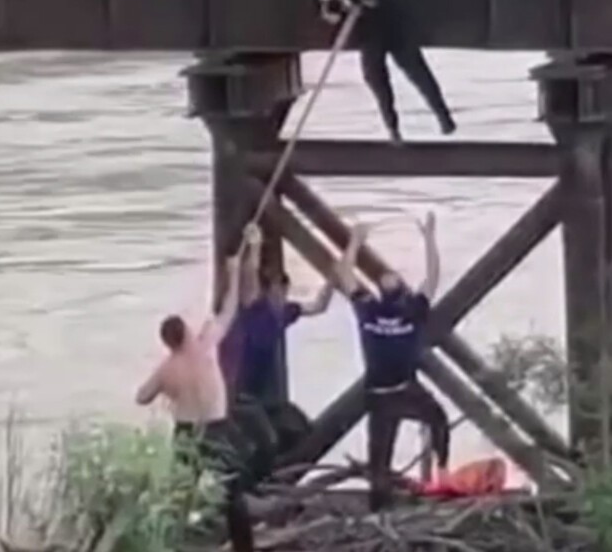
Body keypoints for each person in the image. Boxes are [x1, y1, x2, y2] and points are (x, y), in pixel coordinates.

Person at [136, 239, 255, 552]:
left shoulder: (167, 369)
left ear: (167, 342)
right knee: (232, 493)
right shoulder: (206, 346)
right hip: (215, 429)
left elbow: (141, 397)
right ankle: (244, 547)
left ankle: (177, 544)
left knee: (182, 494)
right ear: (187, 332)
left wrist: (167, 389)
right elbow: (230, 310)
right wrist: (233, 272)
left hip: (186, 434)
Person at [336, 216, 449, 511]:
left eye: (393, 275)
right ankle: (379, 508)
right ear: (379, 288)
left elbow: (433, 276)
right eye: (384, 276)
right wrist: (355, 242)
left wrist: (429, 237)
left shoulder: (412, 309)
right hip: (379, 395)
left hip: (407, 389)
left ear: (402, 288)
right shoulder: (368, 308)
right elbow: (345, 274)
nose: (388, 275)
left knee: (439, 419)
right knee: (379, 462)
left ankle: (442, 475)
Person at [223, 225, 334, 466]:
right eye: (277, 291)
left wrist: (332, 280)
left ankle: (284, 469)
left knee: (303, 430)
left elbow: (318, 306)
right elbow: (250, 274)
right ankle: (256, 473)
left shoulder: (286, 311)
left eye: (284, 291)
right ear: (268, 291)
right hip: (245, 391)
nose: (282, 295)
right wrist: (255, 244)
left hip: (269, 393)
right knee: (265, 441)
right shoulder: (254, 307)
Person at [358, 0, 455, 142]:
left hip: (393, 22)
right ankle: (392, 127)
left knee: (416, 72)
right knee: (376, 78)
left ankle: (443, 117)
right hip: (368, 31)